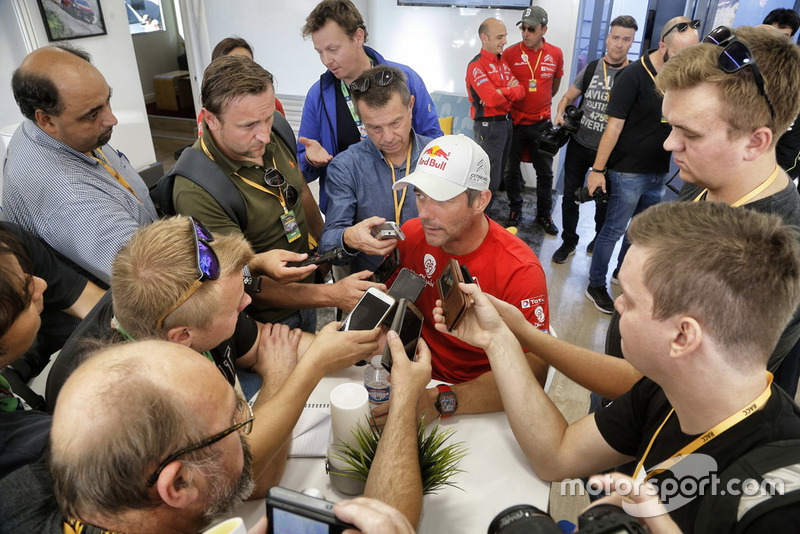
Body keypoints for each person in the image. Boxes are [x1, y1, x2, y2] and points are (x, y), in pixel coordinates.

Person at [436, 201, 800, 532]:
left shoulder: (776, 502)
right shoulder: (667, 388)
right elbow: (556, 455)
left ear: (682, 337)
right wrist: (499, 340)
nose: (618, 305)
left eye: (629, 297)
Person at [45, 216, 381, 498]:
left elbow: (268, 341)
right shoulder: (127, 399)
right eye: (236, 306)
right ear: (183, 338)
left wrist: (356, 345)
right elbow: (253, 479)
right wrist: (295, 371)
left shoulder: (172, 308)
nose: (247, 304)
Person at [1, 335, 428, 533]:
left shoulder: (21, 491)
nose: (250, 426)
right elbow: (384, 520)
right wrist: (406, 397)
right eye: (239, 422)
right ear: (179, 483)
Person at [171, 54, 372, 330]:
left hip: (307, 293)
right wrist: (330, 295)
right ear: (211, 120)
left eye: (267, 118)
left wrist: (325, 248)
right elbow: (239, 277)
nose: (265, 135)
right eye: (248, 126)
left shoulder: (275, 128)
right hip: (263, 324)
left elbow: (300, 192)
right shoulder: (196, 189)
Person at [381, 134, 550, 422]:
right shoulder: (410, 234)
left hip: (474, 402)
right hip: (413, 377)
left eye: (442, 199)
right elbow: (391, 303)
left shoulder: (520, 270)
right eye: (420, 195)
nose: (425, 213)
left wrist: (439, 400)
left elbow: (534, 372)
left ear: (481, 200)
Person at [3, 45, 158, 286]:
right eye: (93, 114)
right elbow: (153, 279)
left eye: (108, 100)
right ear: (45, 119)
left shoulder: (50, 132)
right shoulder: (70, 197)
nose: (112, 119)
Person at [584, 16, 698, 314]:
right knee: (613, 230)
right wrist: (597, 171)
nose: (688, 60)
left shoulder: (679, 77)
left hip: (658, 172)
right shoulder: (634, 75)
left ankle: (621, 273)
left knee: (639, 231)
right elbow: (613, 127)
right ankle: (595, 284)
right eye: (682, 53)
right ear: (663, 46)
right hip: (627, 171)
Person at [297, 0, 443, 213]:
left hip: (410, 203)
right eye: (319, 52)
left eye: (333, 49)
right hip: (350, 211)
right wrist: (310, 159)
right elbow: (303, 169)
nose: (326, 60)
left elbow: (433, 141)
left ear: (358, 37)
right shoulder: (318, 95)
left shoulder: (405, 79)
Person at [0, 224, 104, 481]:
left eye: (28, 274)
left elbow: (98, 305)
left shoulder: (7, 242)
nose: (41, 284)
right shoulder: (28, 449)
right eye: (26, 294)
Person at [320, 65, 431, 273]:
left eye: (395, 122)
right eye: (374, 128)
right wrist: (348, 238)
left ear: (411, 106)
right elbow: (328, 244)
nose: (388, 137)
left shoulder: (436, 155)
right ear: (360, 118)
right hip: (375, 283)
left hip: (431, 277)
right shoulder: (346, 167)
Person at [551, 15, 638, 264]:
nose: (619, 44)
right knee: (570, 197)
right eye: (615, 37)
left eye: (626, 39)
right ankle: (569, 241)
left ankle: (598, 239)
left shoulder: (632, 75)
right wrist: (560, 112)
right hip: (580, 145)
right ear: (607, 38)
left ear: (632, 42)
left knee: (603, 202)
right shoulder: (591, 69)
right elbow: (567, 97)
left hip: (610, 153)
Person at [502, 6, 564, 233]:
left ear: (543, 29)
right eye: (523, 28)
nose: (526, 33)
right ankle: (515, 209)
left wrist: (541, 102)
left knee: (545, 173)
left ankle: (544, 215)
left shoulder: (555, 53)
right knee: (510, 171)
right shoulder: (509, 54)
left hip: (541, 124)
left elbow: (554, 86)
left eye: (531, 29)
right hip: (515, 123)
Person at [465, 17, 524, 216]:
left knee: (497, 179)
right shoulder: (476, 65)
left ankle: (485, 217)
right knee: (486, 179)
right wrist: (505, 92)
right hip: (488, 127)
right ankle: (479, 219)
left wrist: (502, 92)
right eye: (500, 37)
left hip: (506, 124)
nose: (505, 41)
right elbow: (491, 99)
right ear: (484, 38)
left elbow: (521, 91)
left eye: (505, 36)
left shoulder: (502, 62)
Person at [197, 37, 286, 136]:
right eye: (234, 65)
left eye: (247, 62)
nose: (243, 70)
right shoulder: (211, 115)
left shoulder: (273, 103)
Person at [761, 9, 800, 181]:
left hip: (781, 162)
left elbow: (791, 143)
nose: (776, 42)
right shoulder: (746, 64)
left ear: (791, 38)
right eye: (772, 35)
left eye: (783, 36)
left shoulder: (795, 73)